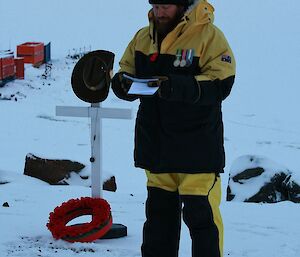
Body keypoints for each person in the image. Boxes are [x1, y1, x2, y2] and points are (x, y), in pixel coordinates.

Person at [111, 0, 236, 257]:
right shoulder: (143, 37)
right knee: (159, 223)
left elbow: (221, 83)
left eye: (166, 6)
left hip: (197, 150)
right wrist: (121, 84)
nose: (159, 12)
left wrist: (173, 86)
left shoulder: (209, 36)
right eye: (155, 6)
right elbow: (126, 70)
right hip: (157, 148)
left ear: (183, 4)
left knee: (202, 221)